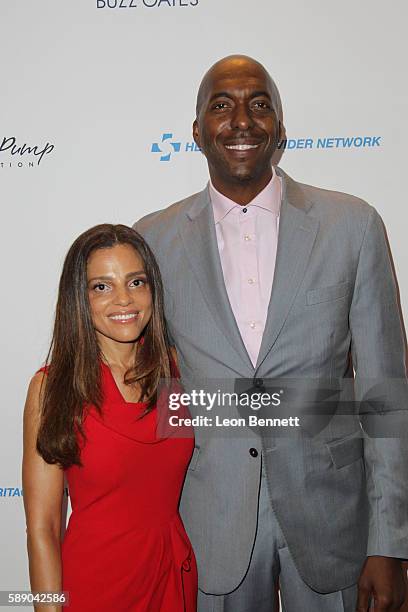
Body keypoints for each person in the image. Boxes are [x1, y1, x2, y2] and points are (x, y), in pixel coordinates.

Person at [134, 55, 408, 611]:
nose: (242, 121)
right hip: (210, 521)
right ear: (196, 132)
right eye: (221, 106)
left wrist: (390, 543)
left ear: (280, 128)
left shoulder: (352, 226)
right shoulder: (153, 240)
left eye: (260, 105)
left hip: (335, 521)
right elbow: (148, 392)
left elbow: (384, 397)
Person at [22, 224, 197, 612]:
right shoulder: (52, 388)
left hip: (172, 578)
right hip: (96, 587)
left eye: (136, 282)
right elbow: (43, 528)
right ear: (79, 298)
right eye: (102, 286)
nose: (124, 299)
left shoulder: (173, 370)